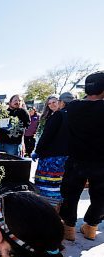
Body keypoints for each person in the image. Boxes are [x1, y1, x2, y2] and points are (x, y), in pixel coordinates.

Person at [60, 71, 104, 241]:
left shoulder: (73, 107)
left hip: (77, 158)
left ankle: (69, 228)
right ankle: (91, 227)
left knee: (71, 194)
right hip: (101, 162)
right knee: (100, 197)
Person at [32, 92, 74, 209]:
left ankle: (48, 211)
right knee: (59, 185)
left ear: (61, 102)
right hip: (66, 157)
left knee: (48, 187)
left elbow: (47, 136)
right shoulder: (76, 116)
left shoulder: (58, 115)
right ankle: (58, 211)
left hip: (52, 158)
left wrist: (38, 151)